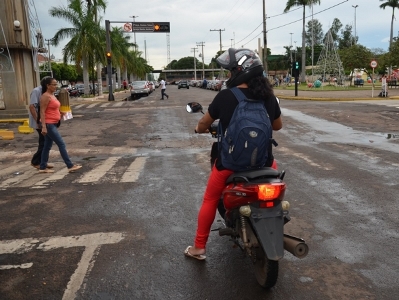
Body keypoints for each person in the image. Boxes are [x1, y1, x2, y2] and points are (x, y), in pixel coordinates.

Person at [184, 48, 282, 260]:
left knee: (210, 199)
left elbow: (203, 124)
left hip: (231, 164)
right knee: (277, 191)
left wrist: (198, 129)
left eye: (230, 71)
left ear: (240, 71)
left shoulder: (226, 96)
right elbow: (278, 126)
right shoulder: (268, 97)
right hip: (265, 163)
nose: (228, 76)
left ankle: (199, 248)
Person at [39, 77, 82, 173]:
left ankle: (42, 167)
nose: (56, 86)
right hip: (48, 124)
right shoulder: (45, 96)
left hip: (53, 123)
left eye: (56, 84)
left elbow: (53, 109)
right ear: (47, 86)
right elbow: (42, 112)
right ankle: (70, 165)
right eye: (53, 84)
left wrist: (61, 113)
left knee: (47, 146)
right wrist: (44, 126)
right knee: (61, 144)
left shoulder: (52, 95)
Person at [28, 76, 54, 170]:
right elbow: (32, 107)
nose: (54, 86)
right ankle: (36, 161)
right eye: (52, 84)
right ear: (46, 84)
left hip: (46, 120)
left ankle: (43, 162)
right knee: (44, 142)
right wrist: (38, 121)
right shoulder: (36, 91)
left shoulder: (47, 91)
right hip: (39, 120)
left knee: (47, 142)